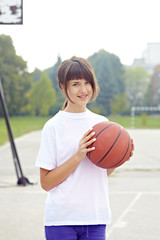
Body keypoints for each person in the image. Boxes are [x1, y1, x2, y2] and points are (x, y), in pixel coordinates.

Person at [35, 56, 134, 240]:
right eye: (76, 84)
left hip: (95, 218)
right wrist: (78, 156)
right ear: (63, 87)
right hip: (61, 220)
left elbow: (98, 173)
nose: (84, 90)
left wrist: (119, 158)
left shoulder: (102, 123)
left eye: (87, 83)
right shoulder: (53, 127)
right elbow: (46, 183)